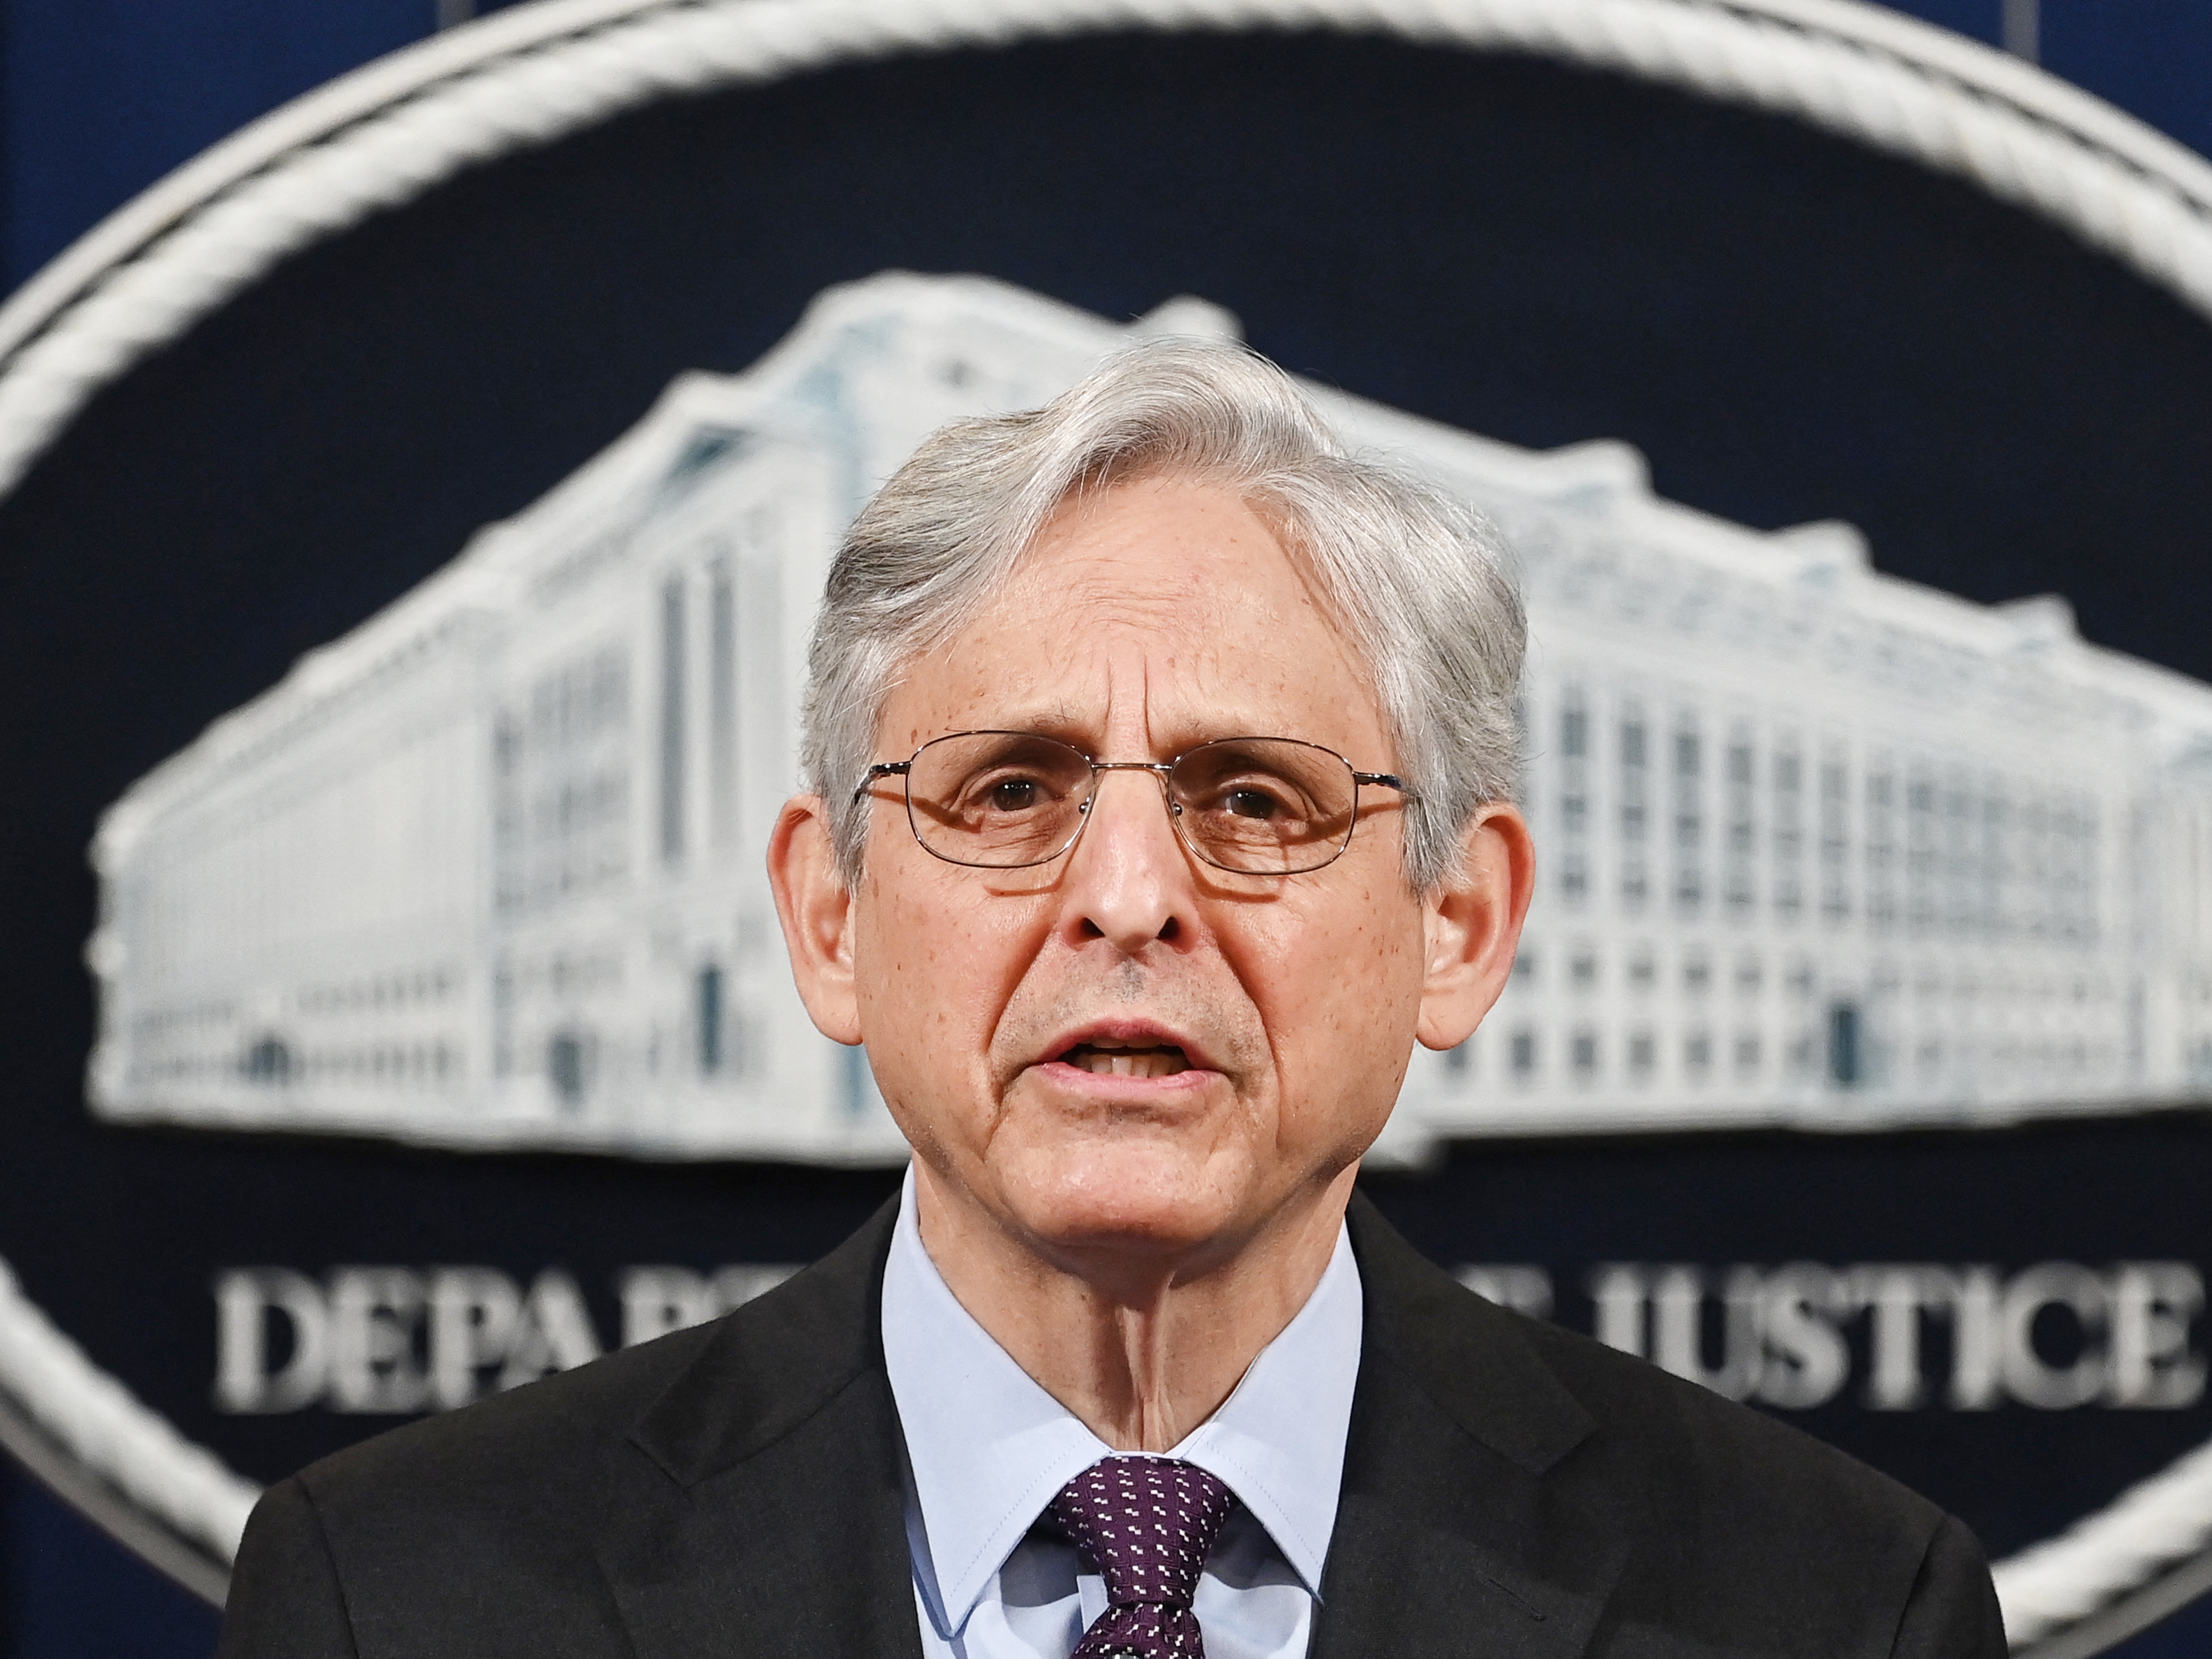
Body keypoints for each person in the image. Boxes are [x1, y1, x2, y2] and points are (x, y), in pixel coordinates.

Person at [217, 342, 2006, 1658]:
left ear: (1456, 922)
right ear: (831, 913)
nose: (1130, 899)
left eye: (1252, 797)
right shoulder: (404, 1601)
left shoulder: (1832, 1611)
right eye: (1008, 792)